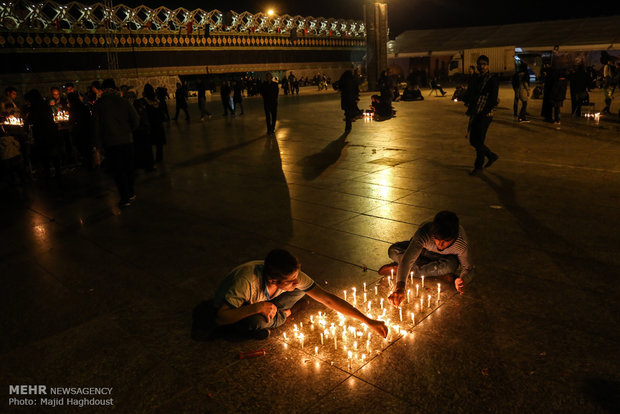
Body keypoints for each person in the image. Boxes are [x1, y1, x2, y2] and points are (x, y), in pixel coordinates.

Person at [193, 249, 388, 340]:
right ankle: (284, 314)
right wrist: (258, 307)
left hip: (269, 301)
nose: (296, 282)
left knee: (302, 292)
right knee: (254, 323)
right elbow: (220, 317)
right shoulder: (245, 281)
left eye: (296, 277)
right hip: (240, 309)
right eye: (291, 280)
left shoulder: (290, 277)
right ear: (273, 280)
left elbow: (327, 298)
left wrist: (367, 320)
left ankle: (280, 312)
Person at [377, 211, 472, 307]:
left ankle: (402, 269)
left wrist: (463, 280)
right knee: (393, 251)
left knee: (450, 266)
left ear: (454, 237)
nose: (440, 244)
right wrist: (400, 288)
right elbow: (408, 259)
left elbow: (468, 268)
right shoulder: (424, 233)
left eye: (446, 241)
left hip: (443, 258)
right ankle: (438, 274)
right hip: (422, 252)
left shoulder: (461, 244)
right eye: (437, 238)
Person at [92, 78, 140, 208]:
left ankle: (125, 198)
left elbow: (96, 127)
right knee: (129, 168)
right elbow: (136, 120)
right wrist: (128, 130)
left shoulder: (99, 104)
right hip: (127, 140)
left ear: (103, 89)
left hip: (111, 142)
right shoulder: (123, 102)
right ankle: (131, 192)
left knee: (118, 171)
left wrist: (98, 146)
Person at [464, 54, 499, 175]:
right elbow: (472, 93)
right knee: (473, 140)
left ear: (488, 65)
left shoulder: (492, 79)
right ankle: (491, 155)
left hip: (486, 114)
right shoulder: (476, 78)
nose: (481, 66)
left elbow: (493, 99)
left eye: (484, 64)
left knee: (478, 140)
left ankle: (478, 167)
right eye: (479, 64)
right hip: (475, 111)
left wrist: (483, 113)